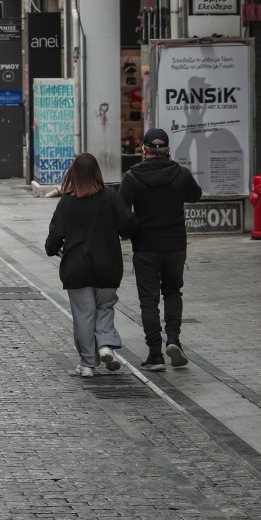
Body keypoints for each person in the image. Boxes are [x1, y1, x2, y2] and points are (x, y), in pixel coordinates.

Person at [45, 153, 137, 378]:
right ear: (97, 172)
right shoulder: (110, 196)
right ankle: (105, 344)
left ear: (74, 173)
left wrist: (51, 248)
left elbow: (55, 233)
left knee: (84, 314)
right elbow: (128, 226)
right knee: (105, 306)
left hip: (77, 267)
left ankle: (87, 365)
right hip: (107, 265)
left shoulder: (67, 200)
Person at [120, 127, 203, 372]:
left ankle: (155, 354)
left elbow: (122, 212)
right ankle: (174, 339)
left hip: (146, 247)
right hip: (175, 246)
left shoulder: (132, 177)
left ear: (143, 150)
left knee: (149, 300)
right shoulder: (181, 173)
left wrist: (131, 231)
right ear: (168, 150)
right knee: (173, 292)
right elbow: (195, 196)